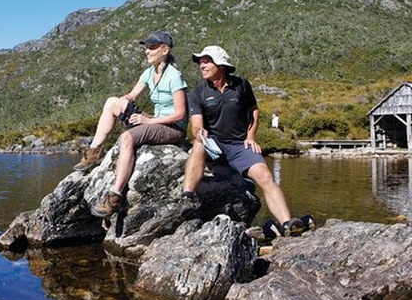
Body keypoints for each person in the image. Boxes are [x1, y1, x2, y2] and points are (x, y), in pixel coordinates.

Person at [181, 45, 307, 236]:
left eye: (207, 61)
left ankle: (287, 224)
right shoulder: (198, 92)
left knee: (265, 176)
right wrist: (200, 132)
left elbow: (253, 111)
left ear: (221, 66)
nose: (202, 65)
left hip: (240, 145)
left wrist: (251, 136)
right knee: (198, 144)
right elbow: (196, 125)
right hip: (213, 144)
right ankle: (187, 196)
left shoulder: (241, 85)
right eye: (201, 61)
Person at [74, 31, 188, 218]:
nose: (147, 51)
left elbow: (180, 114)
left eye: (152, 47)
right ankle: (93, 152)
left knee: (126, 138)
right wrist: (124, 101)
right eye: (146, 47)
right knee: (112, 102)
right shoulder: (149, 72)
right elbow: (132, 95)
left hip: (173, 128)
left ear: (165, 50)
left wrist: (148, 121)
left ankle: (115, 196)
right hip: (155, 122)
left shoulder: (174, 77)